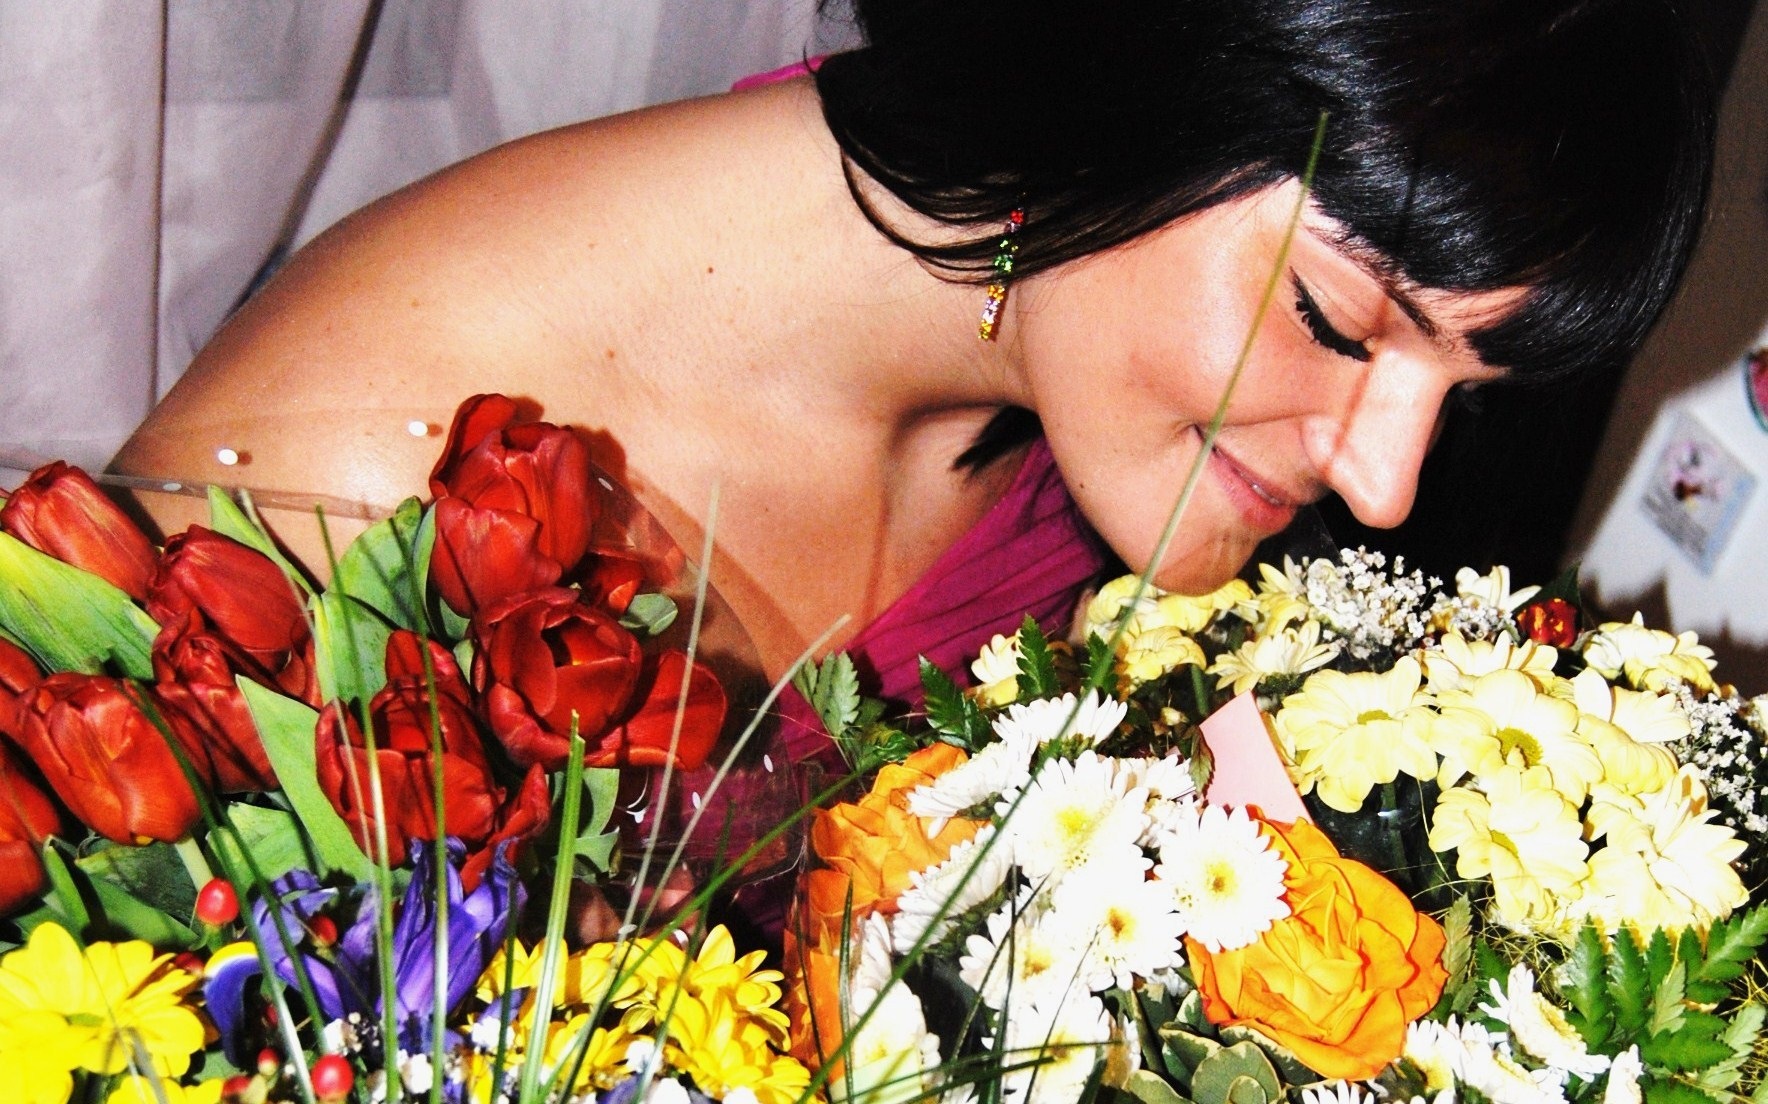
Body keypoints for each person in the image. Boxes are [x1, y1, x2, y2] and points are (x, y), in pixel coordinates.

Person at [114, 0, 1714, 760]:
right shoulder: (326, 521)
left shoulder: (1065, 368)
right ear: (1135, 87)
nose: (1385, 486)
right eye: (1337, 320)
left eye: (1461, 390)